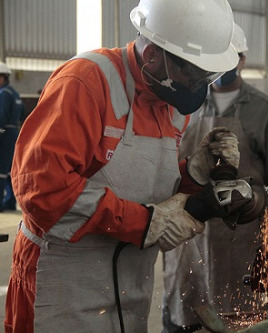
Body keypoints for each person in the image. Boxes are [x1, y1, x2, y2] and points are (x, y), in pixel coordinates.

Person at [4, 0, 253, 332]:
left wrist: (193, 174)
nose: (198, 85)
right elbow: (41, 190)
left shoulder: (174, 103)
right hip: (61, 284)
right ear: (152, 55)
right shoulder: (86, 83)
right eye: (191, 73)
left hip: (128, 286)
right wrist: (146, 222)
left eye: (206, 75)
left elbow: (143, 184)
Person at [162, 23, 268, 332]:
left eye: (229, 59)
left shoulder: (264, 111)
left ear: (243, 60)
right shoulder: (184, 108)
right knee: (186, 312)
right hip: (189, 233)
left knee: (240, 316)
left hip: (243, 239)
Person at [0, 62, 24, 212]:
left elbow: (0, 116)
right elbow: (23, 113)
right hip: (15, 132)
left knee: (1, 170)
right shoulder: (15, 93)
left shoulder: (3, 94)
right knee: (10, 169)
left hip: (5, 133)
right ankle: (10, 202)